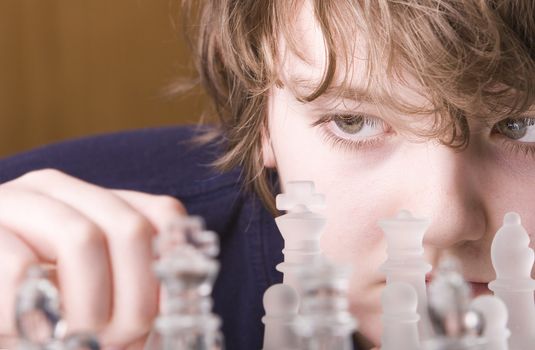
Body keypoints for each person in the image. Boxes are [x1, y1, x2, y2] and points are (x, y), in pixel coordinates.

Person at [0, 0, 534, 349]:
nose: (443, 221)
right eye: (353, 121)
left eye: (522, 125)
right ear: (262, 125)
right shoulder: (44, 256)